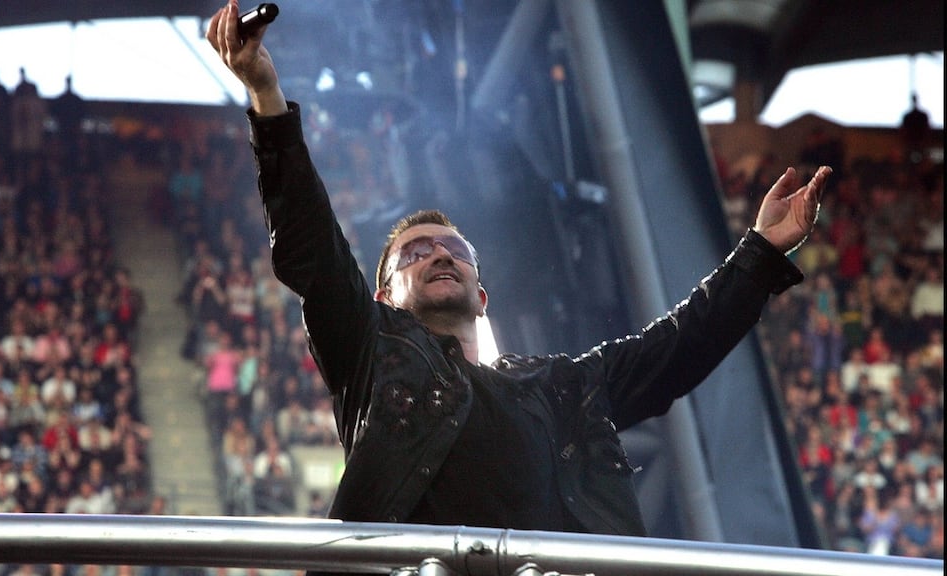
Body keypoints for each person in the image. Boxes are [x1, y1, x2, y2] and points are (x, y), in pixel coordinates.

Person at [206, 0, 831, 536]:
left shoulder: (557, 388)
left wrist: (760, 253)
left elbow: (675, 350)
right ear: (384, 295)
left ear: (483, 294)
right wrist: (265, 96)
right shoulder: (371, 356)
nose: (440, 254)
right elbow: (313, 250)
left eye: (454, 249)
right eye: (415, 253)